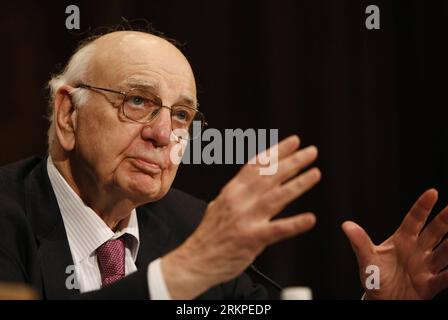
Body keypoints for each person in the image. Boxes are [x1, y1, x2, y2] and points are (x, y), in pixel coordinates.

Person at [0, 30, 447, 300]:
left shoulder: (192, 223)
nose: (163, 134)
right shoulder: (6, 216)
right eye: (137, 101)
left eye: (180, 115)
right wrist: (175, 277)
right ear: (67, 115)